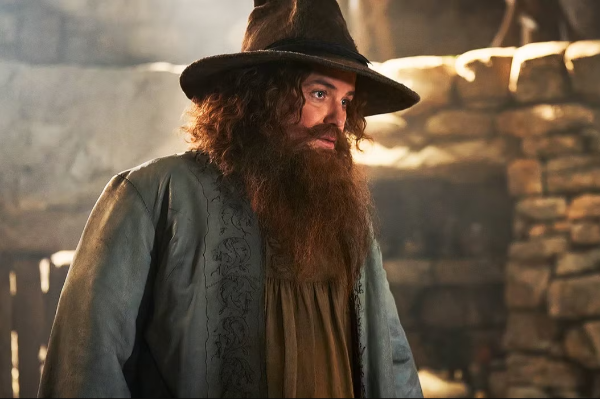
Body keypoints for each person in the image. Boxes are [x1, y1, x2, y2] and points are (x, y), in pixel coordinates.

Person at [38, 0, 422, 398]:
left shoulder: (343, 216)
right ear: (259, 96)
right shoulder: (155, 196)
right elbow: (84, 366)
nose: (338, 120)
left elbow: (393, 362)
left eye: (345, 101)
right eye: (319, 93)